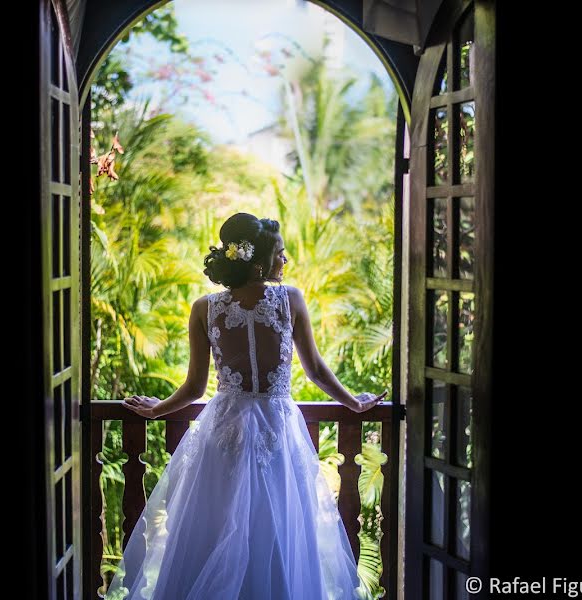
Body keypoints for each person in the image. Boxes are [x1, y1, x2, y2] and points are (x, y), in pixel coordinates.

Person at [108, 212, 387, 599]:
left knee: (214, 531)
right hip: (277, 430)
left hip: (224, 431)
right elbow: (318, 370)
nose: (285, 261)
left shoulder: (204, 308)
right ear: (259, 260)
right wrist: (353, 403)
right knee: (276, 533)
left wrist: (157, 410)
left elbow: (192, 388)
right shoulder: (290, 300)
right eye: (280, 253)